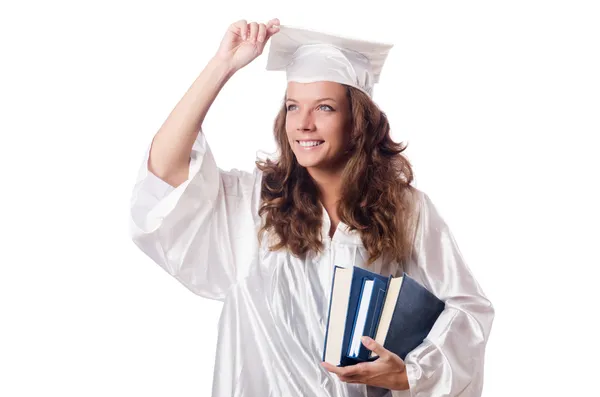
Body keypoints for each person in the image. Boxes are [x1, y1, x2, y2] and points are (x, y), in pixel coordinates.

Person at [128, 18, 495, 397]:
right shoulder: (254, 203)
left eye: (324, 108)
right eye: (292, 107)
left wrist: (410, 374)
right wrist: (222, 65)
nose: (303, 124)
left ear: (357, 121)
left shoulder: (404, 209)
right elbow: (166, 171)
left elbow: (468, 310)